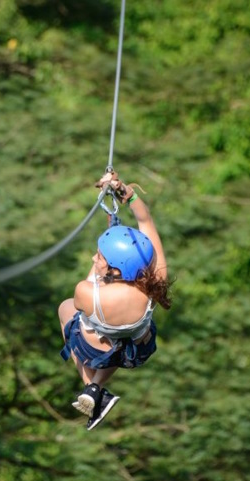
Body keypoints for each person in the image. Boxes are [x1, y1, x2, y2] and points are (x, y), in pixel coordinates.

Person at [58, 170, 171, 430]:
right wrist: (125, 194)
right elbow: (146, 222)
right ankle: (97, 389)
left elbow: (86, 292)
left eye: (99, 257)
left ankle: (91, 387)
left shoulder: (88, 292)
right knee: (120, 340)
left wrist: (114, 205)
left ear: (115, 270)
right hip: (135, 350)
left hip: (96, 349)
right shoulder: (155, 279)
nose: (93, 259)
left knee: (65, 309)